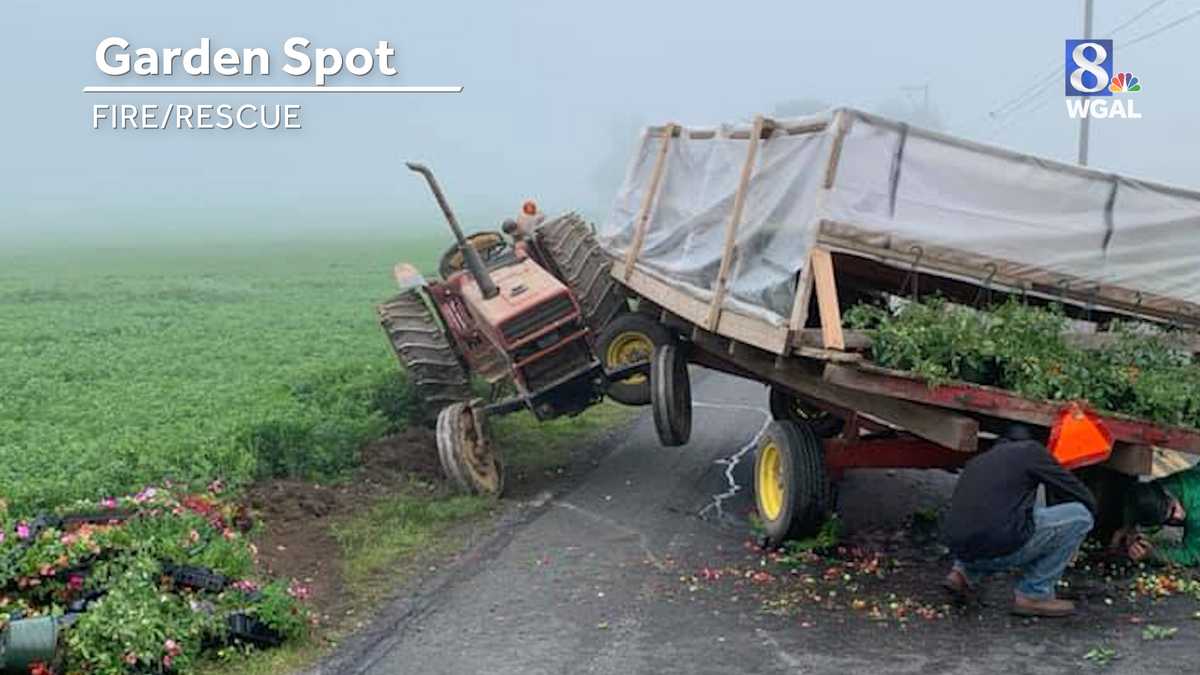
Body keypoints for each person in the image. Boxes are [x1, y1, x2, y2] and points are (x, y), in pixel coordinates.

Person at [941, 426, 1097, 617]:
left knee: (987, 515)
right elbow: (1078, 493)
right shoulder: (1031, 451)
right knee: (1080, 515)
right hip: (1000, 548)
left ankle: (961, 574)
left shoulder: (978, 460)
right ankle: (1034, 595)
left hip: (960, 549)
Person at [1118, 465, 1199, 566]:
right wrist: (1130, 528)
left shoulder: (1197, 510)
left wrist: (1153, 554)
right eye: (1169, 518)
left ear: (1168, 494)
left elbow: (1193, 555)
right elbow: (1143, 503)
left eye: (1174, 508)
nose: (1178, 516)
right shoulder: (1158, 488)